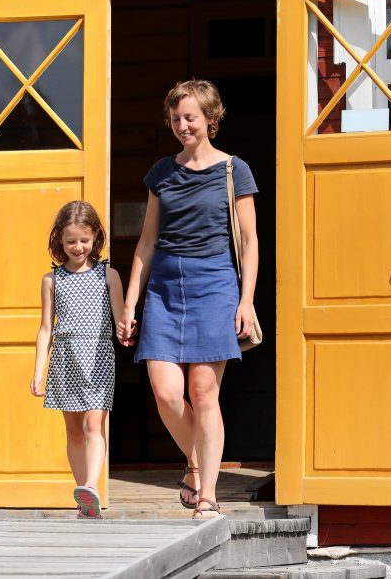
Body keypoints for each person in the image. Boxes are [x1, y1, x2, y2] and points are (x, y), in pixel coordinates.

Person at [117, 80, 258, 519]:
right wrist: (130, 303)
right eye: (176, 118)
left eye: (191, 118)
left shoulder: (234, 170)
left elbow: (250, 242)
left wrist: (246, 301)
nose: (182, 126)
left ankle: (208, 494)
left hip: (214, 285)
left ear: (210, 119)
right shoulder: (161, 172)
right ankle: (196, 462)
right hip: (164, 287)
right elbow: (146, 242)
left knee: (202, 391)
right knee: (165, 393)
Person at [31, 201, 124, 519]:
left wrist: (127, 329)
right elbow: (46, 328)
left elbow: (120, 320)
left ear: (96, 236)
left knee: (93, 425)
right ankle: (85, 498)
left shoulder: (109, 275)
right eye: (71, 241)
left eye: (84, 240)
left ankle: (91, 486)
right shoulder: (51, 280)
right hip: (65, 358)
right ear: (59, 239)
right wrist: (38, 371)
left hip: (98, 356)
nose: (78, 247)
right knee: (73, 430)